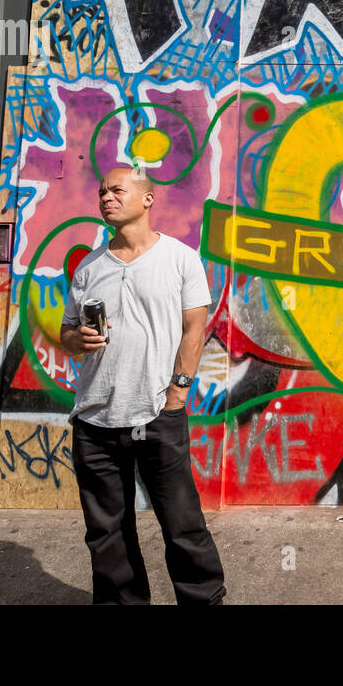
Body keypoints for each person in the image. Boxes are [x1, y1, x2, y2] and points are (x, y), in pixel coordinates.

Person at [59, 166, 225, 604]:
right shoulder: (89, 268)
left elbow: (194, 329)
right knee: (106, 533)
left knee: (183, 525)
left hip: (157, 414)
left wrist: (177, 394)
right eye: (101, 192)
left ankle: (203, 600)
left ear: (147, 199)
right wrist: (79, 338)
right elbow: (67, 333)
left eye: (117, 190)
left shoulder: (180, 258)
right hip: (95, 420)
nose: (106, 198)